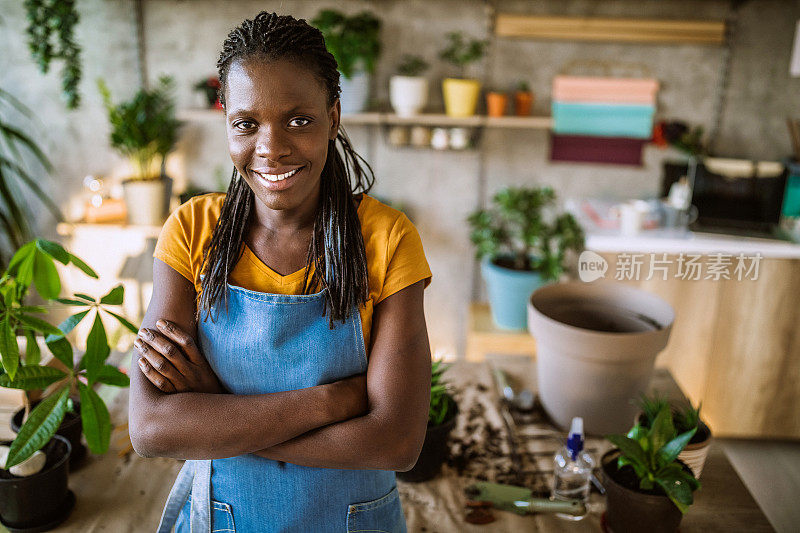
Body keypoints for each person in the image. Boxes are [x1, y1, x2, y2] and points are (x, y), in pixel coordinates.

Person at [127, 11, 432, 533]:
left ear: (333, 117)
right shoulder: (192, 231)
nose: (271, 147)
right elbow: (153, 428)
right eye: (246, 123)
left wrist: (217, 414)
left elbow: (396, 443)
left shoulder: (387, 238)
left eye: (298, 119)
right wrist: (333, 400)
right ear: (226, 121)